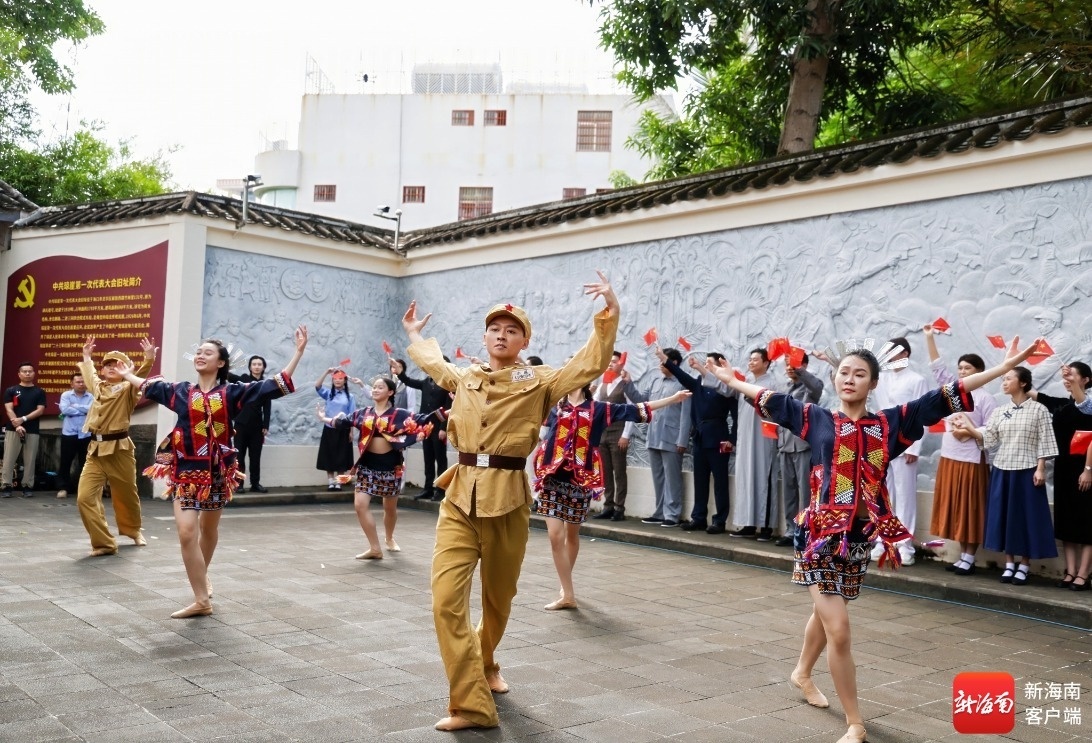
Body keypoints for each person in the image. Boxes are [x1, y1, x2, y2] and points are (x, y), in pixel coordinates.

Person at [706, 336, 1038, 743]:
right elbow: (769, 396)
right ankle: (856, 722)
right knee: (840, 628)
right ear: (835, 377)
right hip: (819, 535)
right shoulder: (817, 417)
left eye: (859, 374)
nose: (850, 379)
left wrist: (1004, 369)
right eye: (844, 372)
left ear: (873, 383)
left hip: (860, 536)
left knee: (827, 614)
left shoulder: (891, 423)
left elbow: (947, 395)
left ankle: (802, 673)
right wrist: (731, 379)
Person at [402, 270, 618, 732]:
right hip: (459, 495)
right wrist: (416, 336)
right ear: (484, 336)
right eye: (494, 329)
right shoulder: (466, 378)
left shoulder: (539, 380)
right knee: (445, 602)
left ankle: (488, 662)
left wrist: (607, 313)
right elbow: (435, 365)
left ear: (523, 340)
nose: (502, 335)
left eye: (512, 330)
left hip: (507, 498)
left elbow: (589, 364)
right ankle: (472, 706)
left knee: (498, 601)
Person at [124, 326, 308, 618]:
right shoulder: (181, 392)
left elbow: (275, 385)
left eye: (207, 352)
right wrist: (127, 374)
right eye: (198, 352)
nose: (200, 355)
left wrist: (298, 352)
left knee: (208, 530)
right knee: (186, 533)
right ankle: (201, 600)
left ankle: (202, 575)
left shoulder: (232, 393)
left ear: (220, 363)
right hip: (184, 471)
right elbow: (148, 387)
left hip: (218, 472)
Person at [534, 381, 690, 609]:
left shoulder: (600, 409)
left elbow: (637, 409)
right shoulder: (554, 407)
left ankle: (565, 586)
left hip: (580, 480)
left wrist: (672, 399)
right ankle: (568, 594)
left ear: (586, 380)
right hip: (551, 477)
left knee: (572, 536)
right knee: (555, 536)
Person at [953, 366, 1058, 587]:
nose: (1004, 382)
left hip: (1028, 470)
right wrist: (970, 428)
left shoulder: (1039, 410)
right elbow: (989, 438)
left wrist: (1041, 468)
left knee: (1027, 517)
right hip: (1002, 469)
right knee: (1007, 517)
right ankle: (1010, 563)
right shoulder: (1000, 411)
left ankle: (1025, 564)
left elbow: (1045, 441)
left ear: (1022, 383)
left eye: (1008, 378)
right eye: (1003, 379)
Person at [318, 376, 441, 558]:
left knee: (389, 508)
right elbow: (343, 422)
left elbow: (423, 419)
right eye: (374, 387)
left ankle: (389, 538)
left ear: (390, 392)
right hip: (367, 466)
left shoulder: (400, 414)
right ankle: (375, 548)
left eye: (380, 387)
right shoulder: (364, 413)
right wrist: (324, 418)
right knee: (360, 504)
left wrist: (449, 411)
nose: (375, 390)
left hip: (391, 466)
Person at [923, 325, 996, 575]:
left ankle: (969, 557)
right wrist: (929, 337)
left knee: (971, 507)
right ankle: (962, 555)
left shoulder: (985, 398)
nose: (963, 372)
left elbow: (992, 430)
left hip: (972, 460)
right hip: (950, 456)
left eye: (969, 369)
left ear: (980, 372)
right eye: (961, 368)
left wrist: (969, 432)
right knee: (956, 507)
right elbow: (937, 368)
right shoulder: (954, 393)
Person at [76, 337, 156, 556]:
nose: (112, 368)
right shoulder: (98, 386)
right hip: (95, 451)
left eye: (118, 365)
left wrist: (148, 359)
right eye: (108, 365)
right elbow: (89, 373)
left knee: (127, 493)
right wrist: (86, 356)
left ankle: (133, 530)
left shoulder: (128, 388)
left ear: (126, 370)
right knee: (84, 498)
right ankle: (104, 543)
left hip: (119, 449)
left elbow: (140, 377)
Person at [1028, 362, 1092, 589]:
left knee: (1086, 524)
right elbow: (1029, 391)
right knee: (1067, 522)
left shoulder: (1090, 405)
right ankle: (1070, 571)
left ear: (1085, 380)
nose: (1067, 378)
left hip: (1085, 470)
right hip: (1064, 470)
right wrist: (1014, 362)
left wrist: (1088, 471)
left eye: (1073, 375)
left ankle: (1084, 574)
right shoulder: (1062, 406)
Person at [871, 336, 929, 564]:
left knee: (905, 497)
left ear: (905, 353)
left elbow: (922, 414)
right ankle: (884, 541)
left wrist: (915, 446)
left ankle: (905, 547)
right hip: (884, 443)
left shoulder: (917, 380)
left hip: (906, 444)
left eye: (894, 351)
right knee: (885, 496)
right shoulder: (880, 380)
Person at [664, 351, 735, 534]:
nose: (706, 366)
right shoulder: (697, 385)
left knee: (720, 482)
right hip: (700, 437)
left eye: (710, 364)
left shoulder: (725, 387)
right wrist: (664, 360)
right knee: (700, 481)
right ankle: (699, 517)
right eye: (706, 363)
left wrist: (731, 440)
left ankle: (719, 520)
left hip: (718, 437)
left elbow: (736, 417)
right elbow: (681, 375)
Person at [630, 348, 691, 527]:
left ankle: (672, 514)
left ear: (675, 363)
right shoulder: (656, 380)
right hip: (654, 435)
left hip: (672, 437)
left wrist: (682, 439)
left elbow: (686, 415)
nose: (660, 365)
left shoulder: (682, 383)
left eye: (664, 361)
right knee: (658, 477)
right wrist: (628, 384)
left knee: (672, 478)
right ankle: (659, 512)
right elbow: (642, 401)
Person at [727, 348, 778, 540]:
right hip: (745, 438)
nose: (751, 362)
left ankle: (765, 526)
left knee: (763, 477)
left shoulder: (772, 383)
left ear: (766, 362)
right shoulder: (745, 382)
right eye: (750, 359)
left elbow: (771, 408)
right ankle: (748, 522)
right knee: (746, 479)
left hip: (764, 438)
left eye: (756, 359)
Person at [776, 353, 824, 547]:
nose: (789, 367)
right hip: (785, 446)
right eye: (787, 364)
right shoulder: (786, 388)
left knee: (805, 492)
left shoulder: (810, 389)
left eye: (793, 364)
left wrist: (799, 370)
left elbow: (818, 387)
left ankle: (805, 531)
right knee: (788, 492)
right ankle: (790, 530)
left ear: (803, 365)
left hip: (803, 446)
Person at [591, 351, 640, 521]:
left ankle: (620, 508)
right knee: (605, 471)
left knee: (619, 471)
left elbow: (632, 410)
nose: (610, 364)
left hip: (618, 432)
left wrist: (626, 435)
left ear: (621, 364)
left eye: (613, 361)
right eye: (608, 362)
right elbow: (594, 404)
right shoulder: (603, 384)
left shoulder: (625, 385)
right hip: (603, 433)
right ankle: (608, 505)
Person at [395, 357, 452, 502]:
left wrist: (444, 428)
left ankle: (441, 490)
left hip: (439, 427)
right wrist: (400, 372)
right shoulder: (426, 382)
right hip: (426, 427)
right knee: (428, 459)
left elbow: (448, 408)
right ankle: (428, 488)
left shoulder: (448, 385)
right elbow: (409, 381)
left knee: (441, 460)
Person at [2, 362, 47, 498]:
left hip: (32, 429)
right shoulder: (11, 390)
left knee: (30, 459)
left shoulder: (39, 392)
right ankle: (6, 485)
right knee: (9, 458)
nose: (27, 373)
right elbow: (9, 409)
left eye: (30, 371)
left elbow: (40, 410)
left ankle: (27, 485)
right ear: (19, 374)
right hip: (13, 429)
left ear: (34, 373)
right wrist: (17, 424)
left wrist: (24, 419)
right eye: (24, 371)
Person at [232, 355, 272, 493]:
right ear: (250, 367)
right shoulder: (243, 379)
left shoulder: (266, 385)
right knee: (239, 456)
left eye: (259, 364)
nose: (256, 366)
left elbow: (267, 406)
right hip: (240, 424)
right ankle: (239, 484)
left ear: (263, 367)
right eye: (254, 364)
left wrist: (266, 425)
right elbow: (228, 376)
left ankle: (255, 484)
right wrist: (223, 364)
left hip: (257, 426)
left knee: (255, 457)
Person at [315, 367, 356, 490]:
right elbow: (317, 386)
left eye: (340, 378)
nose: (338, 381)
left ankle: (339, 483)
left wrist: (351, 431)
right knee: (329, 455)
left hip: (343, 429)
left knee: (341, 457)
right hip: (329, 428)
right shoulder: (328, 394)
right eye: (335, 379)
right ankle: (331, 482)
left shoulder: (350, 397)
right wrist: (326, 372)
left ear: (345, 380)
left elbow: (352, 415)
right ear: (332, 380)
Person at [56, 372, 93, 498]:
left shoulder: (92, 396)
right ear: (72, 383)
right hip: (69, 433)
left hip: (86, 434)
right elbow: (65, 409)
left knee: (86, 463)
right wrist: (84, 410)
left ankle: (84, 489)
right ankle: (63, 488)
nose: (81, 384)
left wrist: (76, 406)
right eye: (78, 382)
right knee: (65, 462)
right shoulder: (66, 395)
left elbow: (93, 410)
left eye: (83, 381)